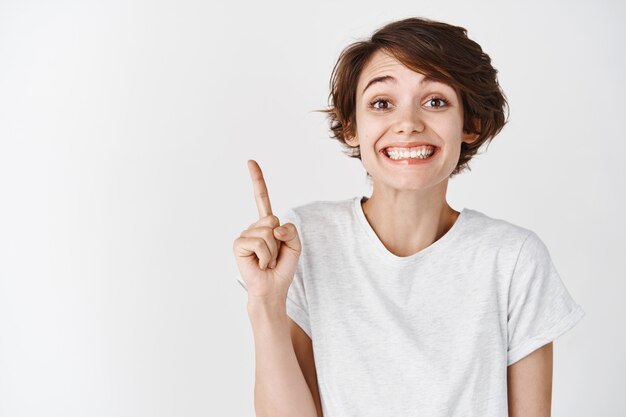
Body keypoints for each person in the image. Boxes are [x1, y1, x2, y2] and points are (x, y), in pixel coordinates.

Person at [232, 17, 585, 417]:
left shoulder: (514, 258)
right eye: (382, 103)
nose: (408, 124)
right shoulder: (305, 240)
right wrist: (265, 303)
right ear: (351, 126)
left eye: (435, 101)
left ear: (469, 123)